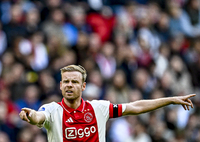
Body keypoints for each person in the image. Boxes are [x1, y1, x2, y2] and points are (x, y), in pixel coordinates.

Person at [19, 65, 196, 142]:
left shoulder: (99, 108)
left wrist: (170, 100)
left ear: (83, 86)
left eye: (74, 82)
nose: (69, 85)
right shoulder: (52, 110)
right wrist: (31, 116)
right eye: (66, 82)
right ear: (60, 85)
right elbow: (38, 116)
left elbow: (135, 107)